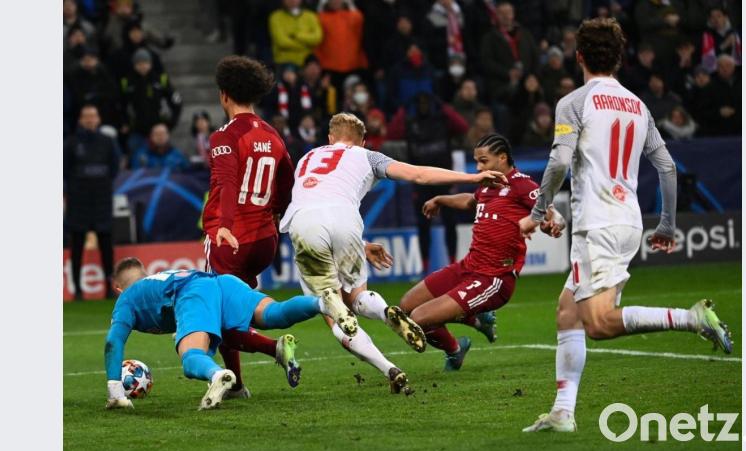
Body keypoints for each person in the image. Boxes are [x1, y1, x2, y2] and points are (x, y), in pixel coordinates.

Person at [517, 18, 733, 433]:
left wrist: (540, 208)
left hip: (597, 224)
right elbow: (667, 167)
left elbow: (560, 161)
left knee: (597, 323)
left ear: (578, 56)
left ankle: (690, 319)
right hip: (626, 221)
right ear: (619, 58)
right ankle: (563, 411)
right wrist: (667, 224)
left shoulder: (574, 102)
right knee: (568, 312)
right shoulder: (639, 105)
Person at [279, 113, 507, 393]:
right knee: (357, 297)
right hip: (345, 220)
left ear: (329, 138)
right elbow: (419, 175)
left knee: (334, 311)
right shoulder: (368, 156)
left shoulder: (307, 157)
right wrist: (473, 177)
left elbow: (313, 203)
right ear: (363, 141)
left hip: (303, 223)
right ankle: (386, 312)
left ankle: (390, 368)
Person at [103, 257, 357, 410]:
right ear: (145, 274)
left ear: (118, 289)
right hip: (220, 282)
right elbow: (231, 336)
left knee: (191, 358)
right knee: (274, 314)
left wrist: (115, 392)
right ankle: (322, 304)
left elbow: (113, 342)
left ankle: (217, 375)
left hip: (192, 293)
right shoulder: (158, 280)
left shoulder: (126, 300)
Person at [400, 133, 545, 371]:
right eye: (476, 161)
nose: (478, 167)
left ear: (502, 157)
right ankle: (457, 349)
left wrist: (546, 222)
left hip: (494, 277)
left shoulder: (522, 184)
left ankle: (474, 320)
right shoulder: (487, 184)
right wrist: (441, 199)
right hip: (468, 267)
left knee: (419, 319)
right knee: (405, 307)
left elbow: (545, 209)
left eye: (483, 161)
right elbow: (470, 201)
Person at [201, 55, 297, 399]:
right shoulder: (273, 135)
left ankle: (244, 379)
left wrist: (224, 225)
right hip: (264, 240)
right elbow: (287, 182)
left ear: (224, 95)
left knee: (221, 312)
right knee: (239, 307)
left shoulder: (224, 136)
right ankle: (245, 377)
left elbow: (225, 182)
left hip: (231, 238)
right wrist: (278, 215)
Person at [386, 92, 469, 271]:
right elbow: (391, 133)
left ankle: (454, 262)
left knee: (450, 223)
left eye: (427, 101)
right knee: (423, 225)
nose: (423, 105)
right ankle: (425, 266)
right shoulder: (411, 122)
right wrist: (403, 109)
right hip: (421, 182)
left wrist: (444, 107)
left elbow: (463, 127)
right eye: (420, 102)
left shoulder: (442, 119)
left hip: (444, 180)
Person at [64, 104, 121, 300]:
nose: (90, 119)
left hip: (102, 200)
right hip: (78, 201)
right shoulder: (70, 142)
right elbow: (64, 169)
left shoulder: (107, 141)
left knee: (106, 246)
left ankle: (109, 287)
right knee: (77, 246)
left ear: (98, 119)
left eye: (93, 116)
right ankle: (78, 289)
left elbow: (114, 167)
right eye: (86, 116)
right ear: (80, 120)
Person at [268, 0, 323, 68]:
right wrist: (307, 46)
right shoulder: (276, 17)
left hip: (307, 62)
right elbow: (282, 42)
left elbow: (317, 38)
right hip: (284, 62)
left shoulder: (310, 16)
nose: (292, 0)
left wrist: (296, 36)